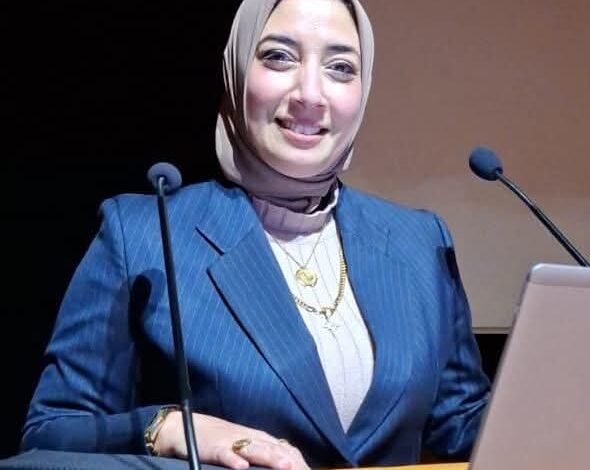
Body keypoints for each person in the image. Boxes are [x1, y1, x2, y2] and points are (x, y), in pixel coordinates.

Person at [21, 0, 490, 468]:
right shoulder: (142, 232)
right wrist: (169, 427)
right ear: (237, 71)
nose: (310, 94)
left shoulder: (418, 240)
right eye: (279, 57)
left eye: (341, 67)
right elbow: (51, 433)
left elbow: (461, 425)